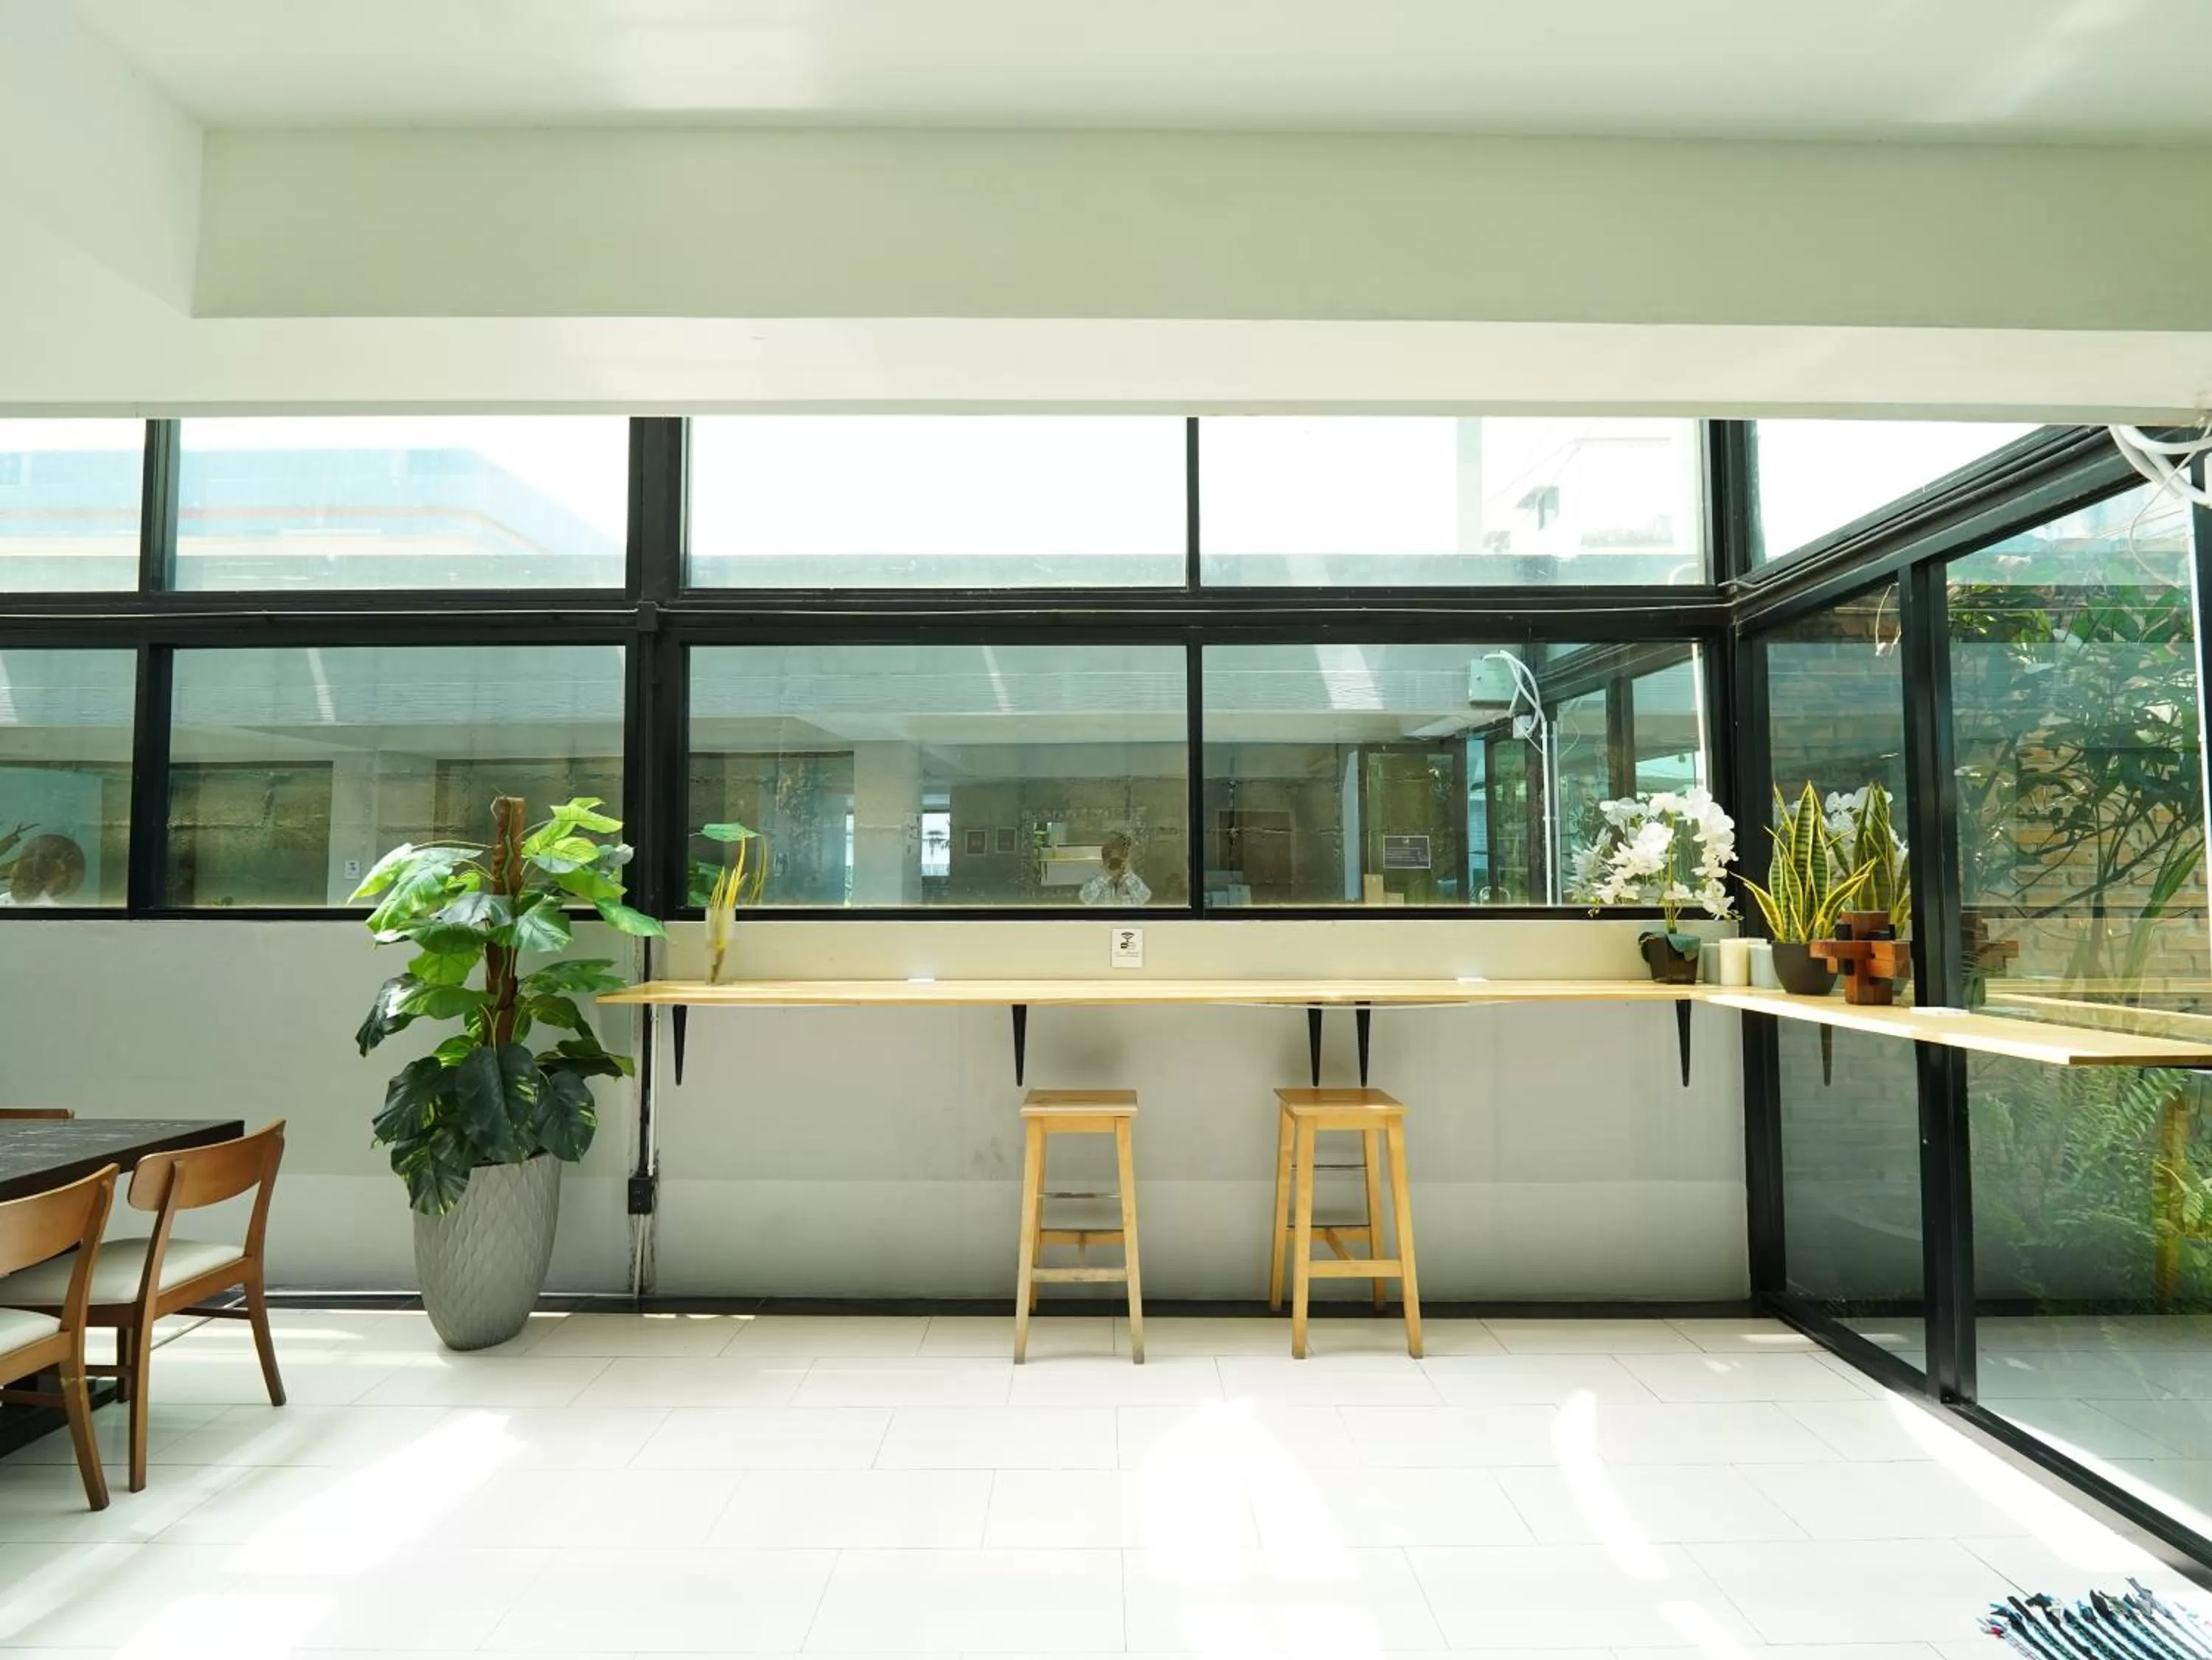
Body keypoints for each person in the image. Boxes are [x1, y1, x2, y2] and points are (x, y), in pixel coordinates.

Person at [1079, 831, 1151, 907]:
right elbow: (1085, 898)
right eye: (1113, 861)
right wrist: (1106, 876)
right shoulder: (1097, 880)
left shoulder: (1131, 881)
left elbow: (1144, 898)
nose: (1116, 864)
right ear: (1105, 861)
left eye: (1119, 860)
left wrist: (1128, 876)